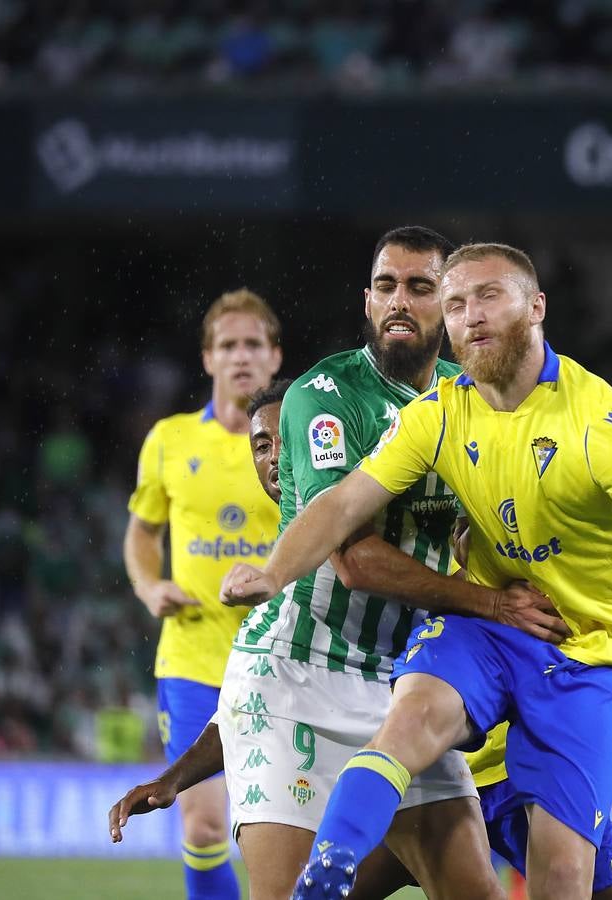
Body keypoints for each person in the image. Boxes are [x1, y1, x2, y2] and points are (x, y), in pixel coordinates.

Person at [221, 242, 612, 900]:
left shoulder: (600, 425)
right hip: (489, 628)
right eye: (455, 303)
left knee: (568, 877)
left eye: (489, 295)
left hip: (584, 655)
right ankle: (328, 869)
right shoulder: (437, 414)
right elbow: (342, 504)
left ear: (536, 306)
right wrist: (273, 569)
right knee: (409, 721)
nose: (471, 316)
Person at [112, 378, 612, 900]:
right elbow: (250, 701)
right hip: (344, 713)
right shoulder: (303, 567)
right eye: (261, 444)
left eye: (284, 440)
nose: (275, 456)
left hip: (425, 714)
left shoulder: (418, 477)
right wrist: (177, 778)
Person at [215, 226, 580, 900]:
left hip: (399, 683)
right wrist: (491, 605)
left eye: (419, 287)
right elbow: (355, 561)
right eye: (386, 286)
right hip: (296, 677)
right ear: (366, 300)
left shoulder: (467, 397)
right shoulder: (324, 399)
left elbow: (486, 522)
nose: (399, 301)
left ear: (448, 303)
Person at [122, 288, 284, 900]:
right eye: (227, 345)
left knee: (280, 834)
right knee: (205, 822)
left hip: (279, 658)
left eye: (252, 345)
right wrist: (148, 584)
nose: (240, 356)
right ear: (208, 359)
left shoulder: (294, 439)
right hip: (192, 660)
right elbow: (141, 533)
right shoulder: (169, 439)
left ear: (275, 357)